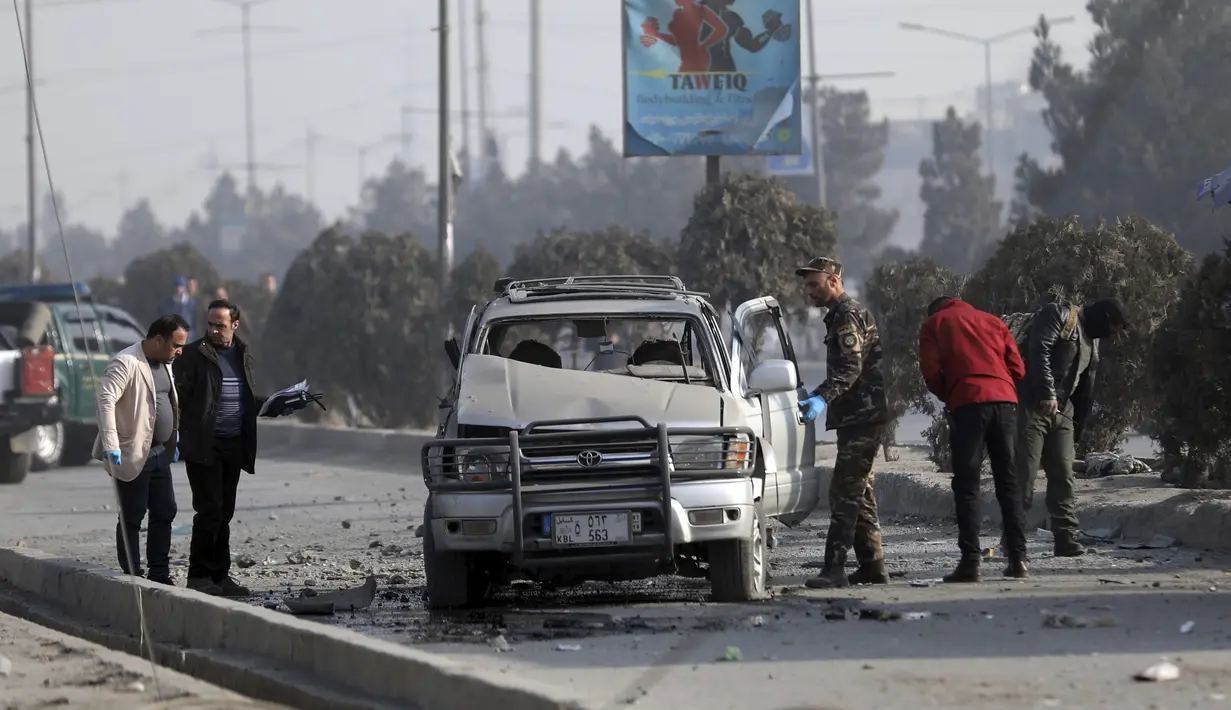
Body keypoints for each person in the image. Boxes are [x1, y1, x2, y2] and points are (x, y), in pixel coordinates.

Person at [174, 299, 291, 596]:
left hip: (233, 443)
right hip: (204, 445)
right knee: (208, 510)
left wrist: (273, 404)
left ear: (234, 325)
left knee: (224, 511)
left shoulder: (242, 354)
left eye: (220, 325)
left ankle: (220, 576)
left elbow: (244, 399)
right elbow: (179, 399)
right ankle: (199, 576)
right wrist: (175, 436)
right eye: (210, 324)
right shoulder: (192, 355)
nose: (213, 330)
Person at [794, 257, 891, 589]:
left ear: (833, 280)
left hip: (863, 416)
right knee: (860, 491)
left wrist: (821, 398)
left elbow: (849, 370)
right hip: (857, 416)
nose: (808, 291)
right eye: (806, 284)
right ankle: (873, 566)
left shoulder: (847, 316)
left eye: (813, 283)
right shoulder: (839, 316)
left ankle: (834, 567)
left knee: (844, 492)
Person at [918, 296, 1028, 582]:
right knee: (1009, 482)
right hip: (1005, 402)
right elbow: (1018, 368)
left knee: (967, 484)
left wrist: (951, 393)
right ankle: (1018, 559)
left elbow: (930, 371)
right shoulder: (993, 320)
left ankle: (970, 562)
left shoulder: (934, 324)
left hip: (967, 403)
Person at [1018, 298, 1128, 557]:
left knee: (1064, 476)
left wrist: (1077, 423)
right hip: (1034, 405)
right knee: (1024, 474)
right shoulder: (1057, 313)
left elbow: (1083, 383)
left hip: (1063, 412)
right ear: (1102, 316)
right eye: (1113, 327)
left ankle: (1065, 537)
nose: (1113, 335)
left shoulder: (1092, 339)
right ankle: (1014, 537)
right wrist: (1046, 391)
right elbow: (1039, 350)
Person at [93, 315, 190, 585]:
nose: (179, 351)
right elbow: (105, 400)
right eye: (176, 345)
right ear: (158, 339)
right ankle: (134, 574)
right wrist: (111, 445)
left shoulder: (166, 362)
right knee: (133, 514)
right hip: (132, 451)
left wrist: (175, 434)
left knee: (165, 510)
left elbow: (167, 400)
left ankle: (159, 573)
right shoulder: (126, 362)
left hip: (160, 452)